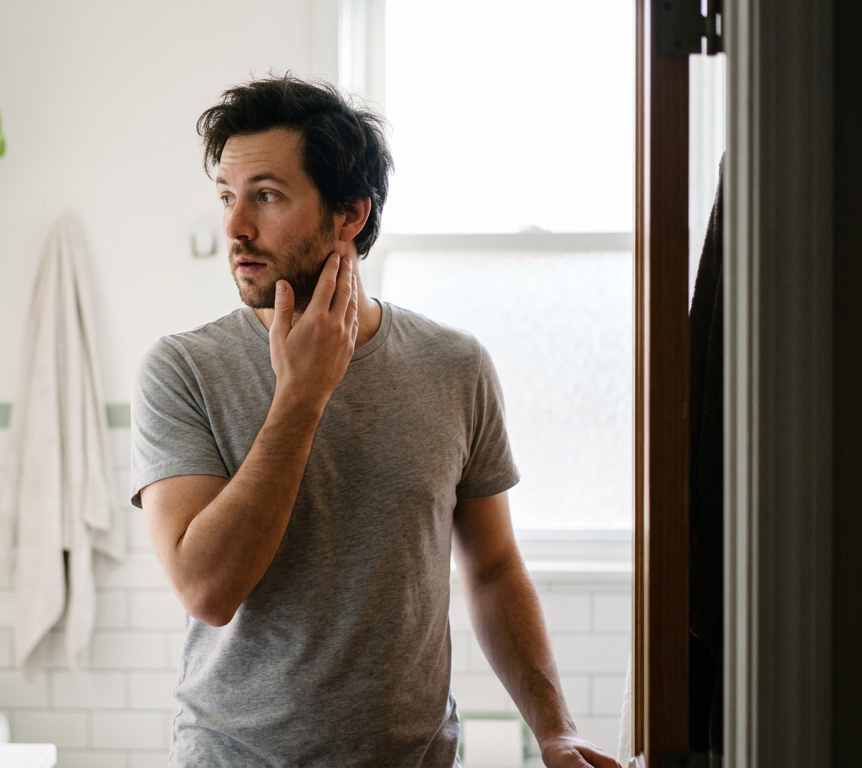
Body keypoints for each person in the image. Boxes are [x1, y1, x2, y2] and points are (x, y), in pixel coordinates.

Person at [130, 75, 620, 768]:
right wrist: (301, 398)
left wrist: (555, 729)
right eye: (226, 197)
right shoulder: (182, 369)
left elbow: (494, 567)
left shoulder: (455, 365)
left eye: (266, 196)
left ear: (350, 214)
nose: (236, 226)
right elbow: (208, 589)